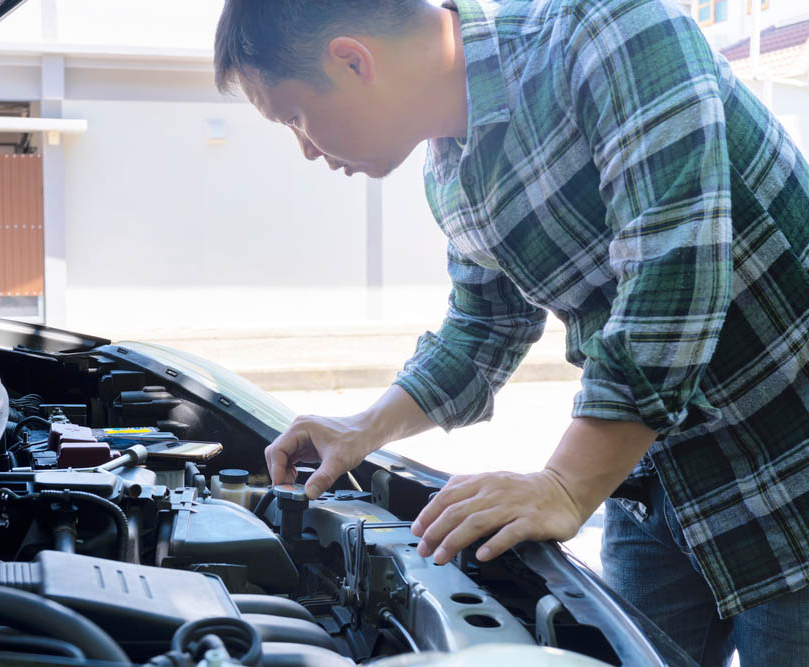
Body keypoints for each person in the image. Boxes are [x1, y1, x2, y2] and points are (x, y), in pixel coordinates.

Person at [212, 0, 809, 664]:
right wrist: (364, 427)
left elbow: (677, 276)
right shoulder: (448, 173)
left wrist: (565, 483)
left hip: (790, 472)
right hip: (654, 477)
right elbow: (482, 329)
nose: (306, 150)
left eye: (294, 117)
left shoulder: (609, 28)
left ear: (354, 61)